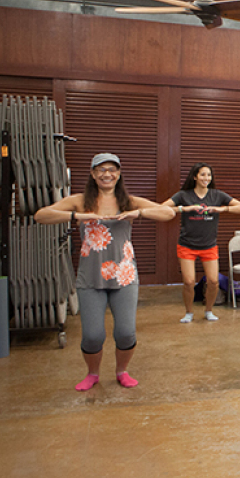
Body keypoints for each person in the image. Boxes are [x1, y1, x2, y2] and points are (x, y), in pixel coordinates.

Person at [34, 153, 176, 391]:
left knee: (125, 332)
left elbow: (168, 213)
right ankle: (92, 373)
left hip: (125, 277)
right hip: (90, 278)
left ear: (118, 174)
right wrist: (79, 216)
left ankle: (122, 371)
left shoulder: (129, 201)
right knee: (92, 335)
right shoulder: (80, 200)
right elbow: (41, 215)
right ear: (92, 174)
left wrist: (138, 213)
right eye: (101, 169)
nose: (106, 174)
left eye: (111, 169)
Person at [161, 164, 240, 323]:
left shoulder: (217, 195)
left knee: (213, 281)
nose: (206, 178)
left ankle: (209, 310)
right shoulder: (183, 195)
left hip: (209, 245)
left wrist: (222, 210)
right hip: (187, 245)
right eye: (202, 175)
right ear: (195, 177)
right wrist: (184, 209)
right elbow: (161, 208)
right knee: (189, 281)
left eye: (208, 175)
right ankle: (189, 313)